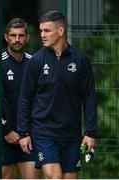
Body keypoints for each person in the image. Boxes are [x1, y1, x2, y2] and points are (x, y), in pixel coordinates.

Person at [17, 10, 97, 179]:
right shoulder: (37, 61)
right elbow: (24, 98)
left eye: (47, 31)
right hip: (43, 134)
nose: (42, 35)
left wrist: (90, 133)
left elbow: (89, 98)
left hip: (71, 135)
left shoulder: (80, 60)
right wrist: (23, 133)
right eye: (41, 31)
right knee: (55, 176)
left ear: (60, 31)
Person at [0, 18, 40, 179]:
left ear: (27, 38)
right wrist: (6, 131)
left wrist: (28, 131)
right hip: (2, 136)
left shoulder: (35, 63)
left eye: (21, 35)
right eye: (13, 35)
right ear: (6, 37)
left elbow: (42, 99)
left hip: (28, 136)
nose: (17, 39)